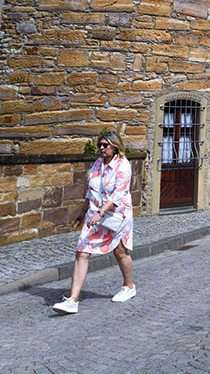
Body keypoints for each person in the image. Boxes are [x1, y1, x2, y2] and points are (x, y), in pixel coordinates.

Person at [54, 130, 135, 314]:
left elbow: (118, 194)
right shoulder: (98, 163)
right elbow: (92, 189)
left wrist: (100, 212)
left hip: (117, 215)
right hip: (95, 215)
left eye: (105, 145)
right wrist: (83, 210)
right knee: (81, 251)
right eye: (99, 145)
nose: (101, 148)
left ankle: (129, 286)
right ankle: (73, 300)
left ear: (115, 146)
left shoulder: (123, 166)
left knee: (120, 251)